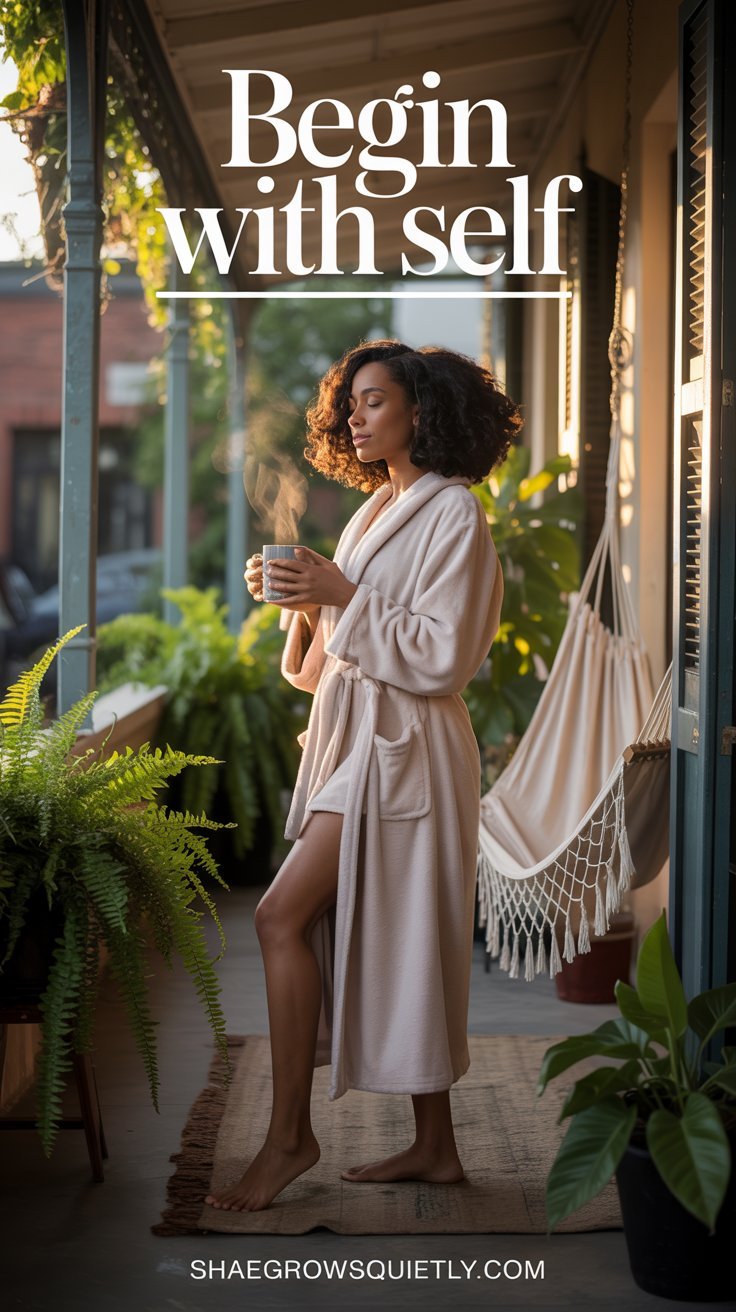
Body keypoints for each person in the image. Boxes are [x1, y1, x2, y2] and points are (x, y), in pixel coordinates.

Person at [206, 339, 520, 1213]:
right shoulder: (375, 510)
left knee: (279, 917)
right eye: (350, 402)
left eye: (373, 400)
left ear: (421, 410)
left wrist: (342, 596)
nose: (354, 415)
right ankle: (436, 1148)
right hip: (356, 742)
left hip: (408, 747)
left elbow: (442, 659)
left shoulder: (454, 515)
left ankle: (289, 1138)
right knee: (404, 938)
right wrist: (305, 606)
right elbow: (318, 671)